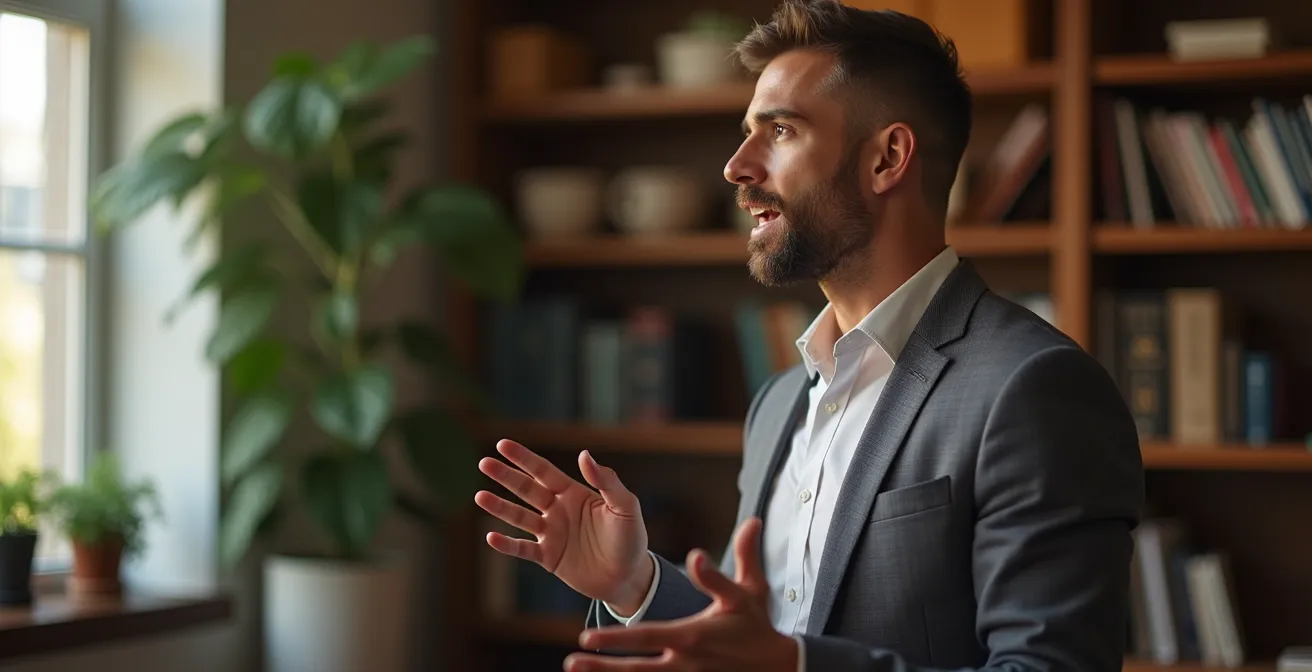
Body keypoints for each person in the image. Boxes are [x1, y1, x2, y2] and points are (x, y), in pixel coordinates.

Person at [473, 1, 1145, 670]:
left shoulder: (1034, 388)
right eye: (745, 133)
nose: (737, 167)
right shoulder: (778, 401)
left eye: (781, 132)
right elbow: (757, 643)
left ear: (887, 158)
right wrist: (636, 584)